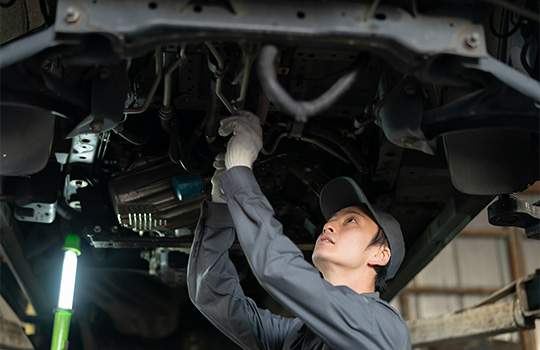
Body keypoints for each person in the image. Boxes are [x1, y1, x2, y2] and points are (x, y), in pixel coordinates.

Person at [187, 111, 411, 349]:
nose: (328, 225)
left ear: (380, 254)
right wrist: (220, 206)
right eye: (332, 219)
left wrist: (241, 173)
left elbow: (276, 268)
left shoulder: (382, 326)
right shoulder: (298, 337)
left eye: (351, 221)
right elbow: (212, 294)